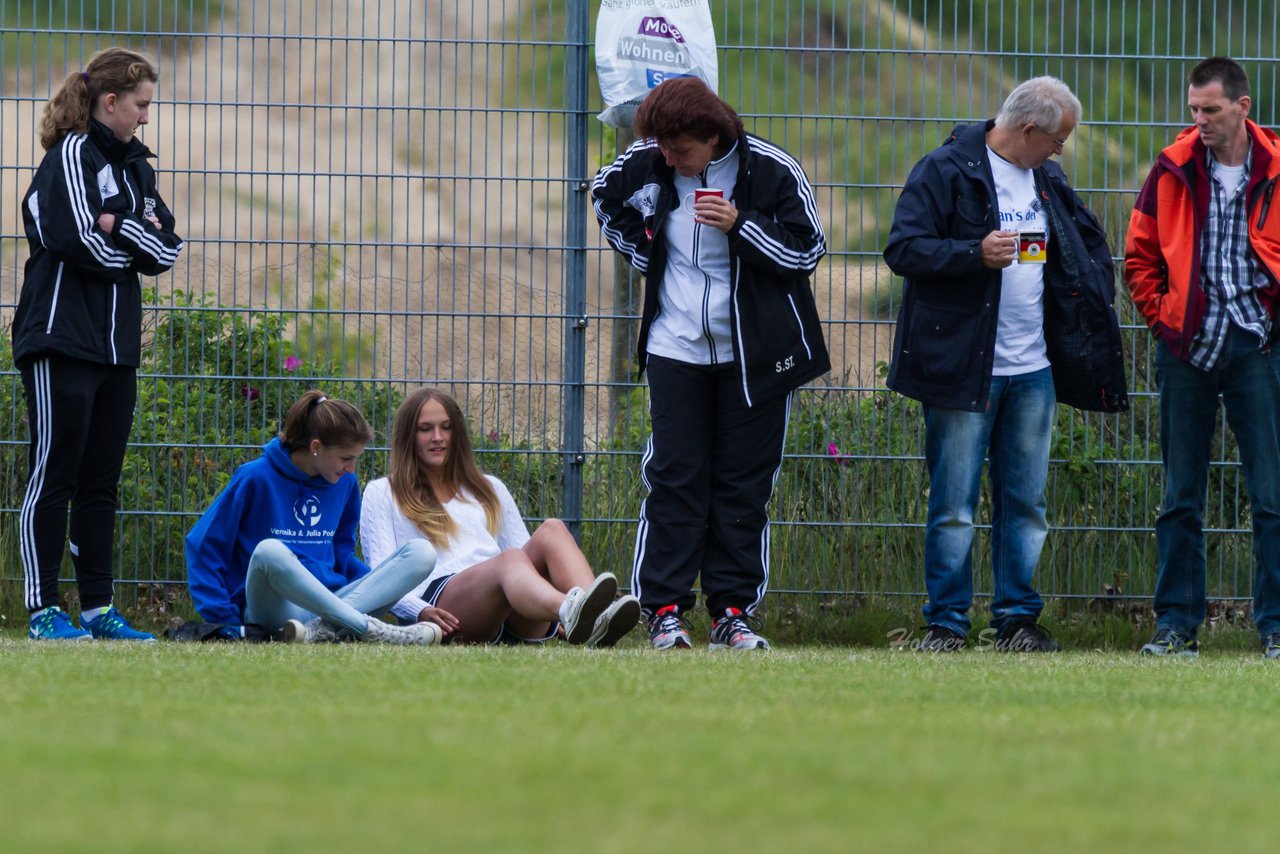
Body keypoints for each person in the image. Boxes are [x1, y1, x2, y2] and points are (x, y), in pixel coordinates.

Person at [883, 76, 1128, 652]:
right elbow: (902, 248)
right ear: (1027, 130)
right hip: (965, 369)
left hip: (1033, 369)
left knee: (1026, 503)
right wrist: (974, 253)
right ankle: (946, 623)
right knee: (954, 504)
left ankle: (1016, 620)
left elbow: (1078, 247)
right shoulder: (944, 170)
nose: (1061, 150)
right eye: (1058, 139)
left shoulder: (1048, 179)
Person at [591, 77, 829, 651]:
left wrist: (740, 225)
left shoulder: (771, 170)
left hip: (758, 356)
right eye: (662, 149)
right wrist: (645, 252)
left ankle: (731, 613)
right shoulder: (652, 159)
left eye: (680, 150)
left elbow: (808, 249)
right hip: (676, 350)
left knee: (742, 487)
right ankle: (664, 609)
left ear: (713, 135)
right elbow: (603, 193)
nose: (668, 158)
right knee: (675, 479)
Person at [14, 47, 185, 641]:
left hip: (117, 349)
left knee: (100, 481)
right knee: (53, 472)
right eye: (140, 106)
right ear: (109, 102)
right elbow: (77, 241)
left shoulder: (138, 167)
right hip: (61, 339)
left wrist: (120, 223)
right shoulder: (69, 156)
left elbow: (167, 250)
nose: (145, 118)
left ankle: (96, 610)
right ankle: (42, 611)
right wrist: (125, 233)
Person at [1125, 57, 1280, 659]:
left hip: (1257, 347)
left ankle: (1274, 628)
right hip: (1186, 348)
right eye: (1193, 109)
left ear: (1243, 107)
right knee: (1179, 496)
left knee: (1270, 496)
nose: (1199, 121)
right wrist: (1165, 318)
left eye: (1210, 110)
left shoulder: (1274, 168)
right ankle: (1175, 629)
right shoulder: (1171, 169)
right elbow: (1139, 256)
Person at [360, 387, 639, 646]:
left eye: (446, 428)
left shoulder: (489, 487)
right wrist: (418, 610)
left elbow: (524, 561)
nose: (438, 437)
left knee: (552, 529)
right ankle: (570, 608)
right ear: (408, 436)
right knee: (510, 559)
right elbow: (380, 578)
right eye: (425, 429)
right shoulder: (383, 492)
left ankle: (597, 619)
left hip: (509, 607)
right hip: (442, 607)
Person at [185, 391, 441, 645]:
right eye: (346, 458)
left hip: (334, 602)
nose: (351, 468)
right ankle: (365, 628)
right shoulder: (255, 477)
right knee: (268, 552)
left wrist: (399, 597)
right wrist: (227, 621)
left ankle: (320, 630)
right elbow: (202, 546)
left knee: (421, 553)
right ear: (316, 447)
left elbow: (342, 558)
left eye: (355, 459)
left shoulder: (345, 483)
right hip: (276, 612)